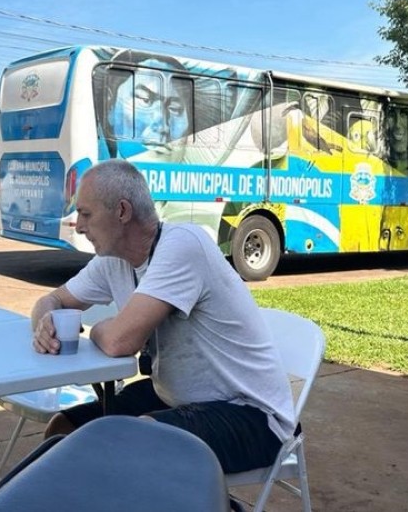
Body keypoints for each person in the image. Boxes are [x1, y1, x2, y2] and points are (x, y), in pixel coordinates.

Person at [30, 159, 296, 473]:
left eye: (86, 214)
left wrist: (100, 328)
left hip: (252, 415)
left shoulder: (184, 245)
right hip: (173, 396)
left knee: (140, 439)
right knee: (63, 428)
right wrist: (44, 322)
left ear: (122, 212)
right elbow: (54, 299)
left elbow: (119, 342)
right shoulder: (113, 259)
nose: (80, 225)